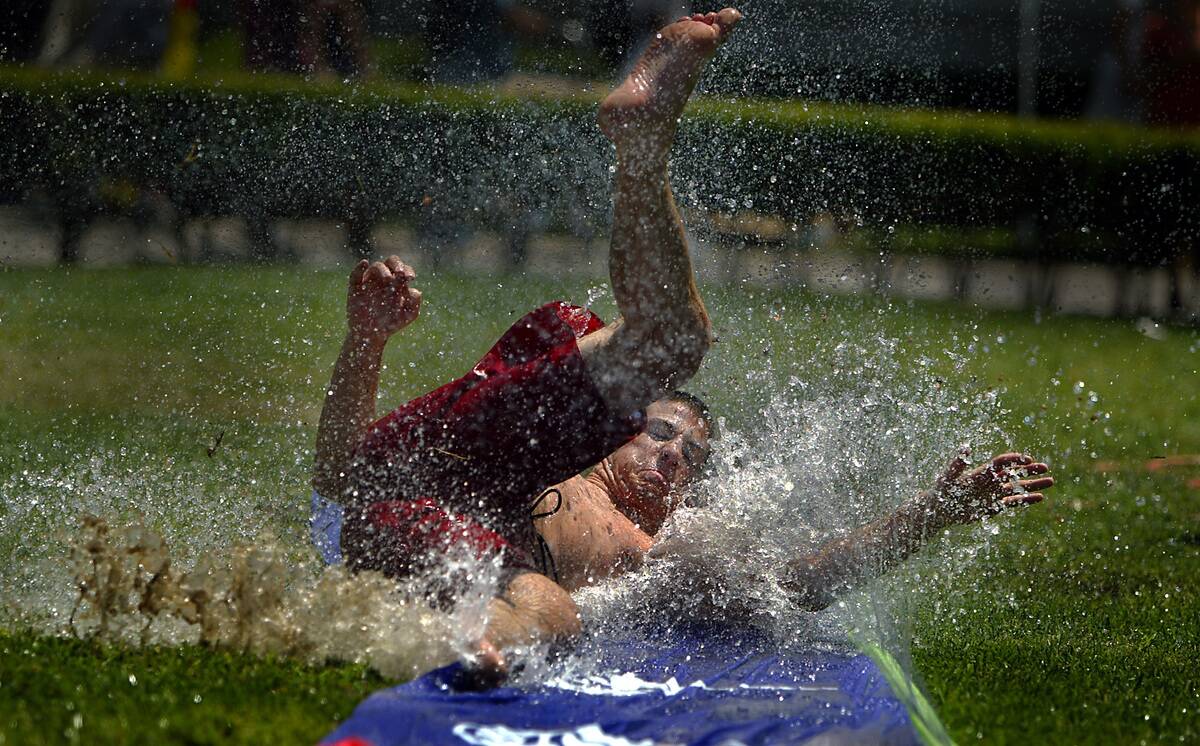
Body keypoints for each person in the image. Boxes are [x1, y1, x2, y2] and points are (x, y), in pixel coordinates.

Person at [312, 8, 1054, 678]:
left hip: (454, 556)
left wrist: (929, 514)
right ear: (615, 430)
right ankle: (641, 148)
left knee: (559, 619)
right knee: (669, 341)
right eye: (662, 432)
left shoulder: (647, 554)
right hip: (434, 488)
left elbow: (786, 586)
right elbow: (342, 476)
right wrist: (367, 344)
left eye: (692, 458)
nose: (673, 456)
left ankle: (477, 651)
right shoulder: (547, 439)